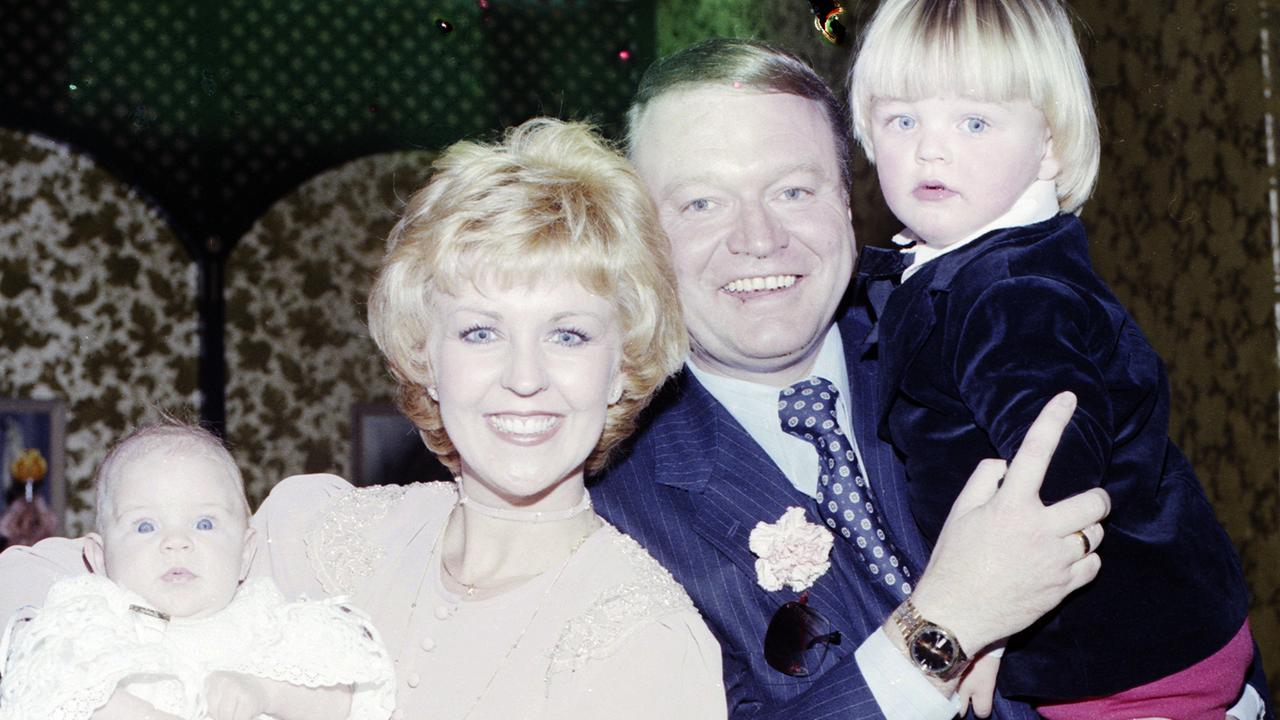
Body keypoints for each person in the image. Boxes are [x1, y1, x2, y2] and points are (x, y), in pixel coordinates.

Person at [589, 37, 1112, 720]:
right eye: (701, 204)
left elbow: (1161, 529)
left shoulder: (984, 321)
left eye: (793, 190)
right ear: (641, 237)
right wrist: (944, 628)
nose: (758, 237)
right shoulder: (608, 497)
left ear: (846, 199)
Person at [847, 0, 1256, 717]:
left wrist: (988, 625)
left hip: (1126, 661)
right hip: (1145, 634)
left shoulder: (1008, 294)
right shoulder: (982, 262)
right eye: (902, 119)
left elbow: (1059, 475)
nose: (929, 149)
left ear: (1051, 148)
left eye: (973, 122)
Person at [248, 118, 726, 718]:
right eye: (481, 331)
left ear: (621, 367)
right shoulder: (317, 543)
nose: (524, 378)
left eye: (569, 334)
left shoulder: (644, 646)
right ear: (426, 355)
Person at [0, 421, 395, 720]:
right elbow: (46, 692)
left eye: (204, 524)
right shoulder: (91, 618)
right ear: (99, 558)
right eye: (145, 525)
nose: (176, 541)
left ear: (246, 552)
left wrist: (264, 691)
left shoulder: (268, 620)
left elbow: (349, 696)